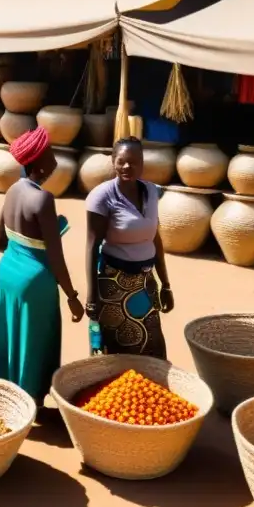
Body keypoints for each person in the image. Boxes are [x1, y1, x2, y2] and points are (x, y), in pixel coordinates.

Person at [0, 127, 82, 403]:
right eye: (51, 153)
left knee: (10, 334)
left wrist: (24, 249)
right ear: (39, 162)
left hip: (8, 273)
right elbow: (56, 255)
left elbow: (0, 242)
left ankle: (5, 396)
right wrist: (72, 296)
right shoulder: (42, 199)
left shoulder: (12, 191)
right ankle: (29, 400)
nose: (55, 158)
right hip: (35, 282)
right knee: (34, 340)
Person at [85, 137, 174, 359]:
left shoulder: (152, 192)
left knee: (151, 349)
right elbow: (91, 246)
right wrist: (91, 296)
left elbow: (156, 239)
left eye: (134, 162)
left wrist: (166, 284)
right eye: (122, 161)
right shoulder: (102, 197)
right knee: (115, 354)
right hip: (114, 286)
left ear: (143, 163)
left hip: (145, 285)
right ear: (113, 162)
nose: (127, 167)